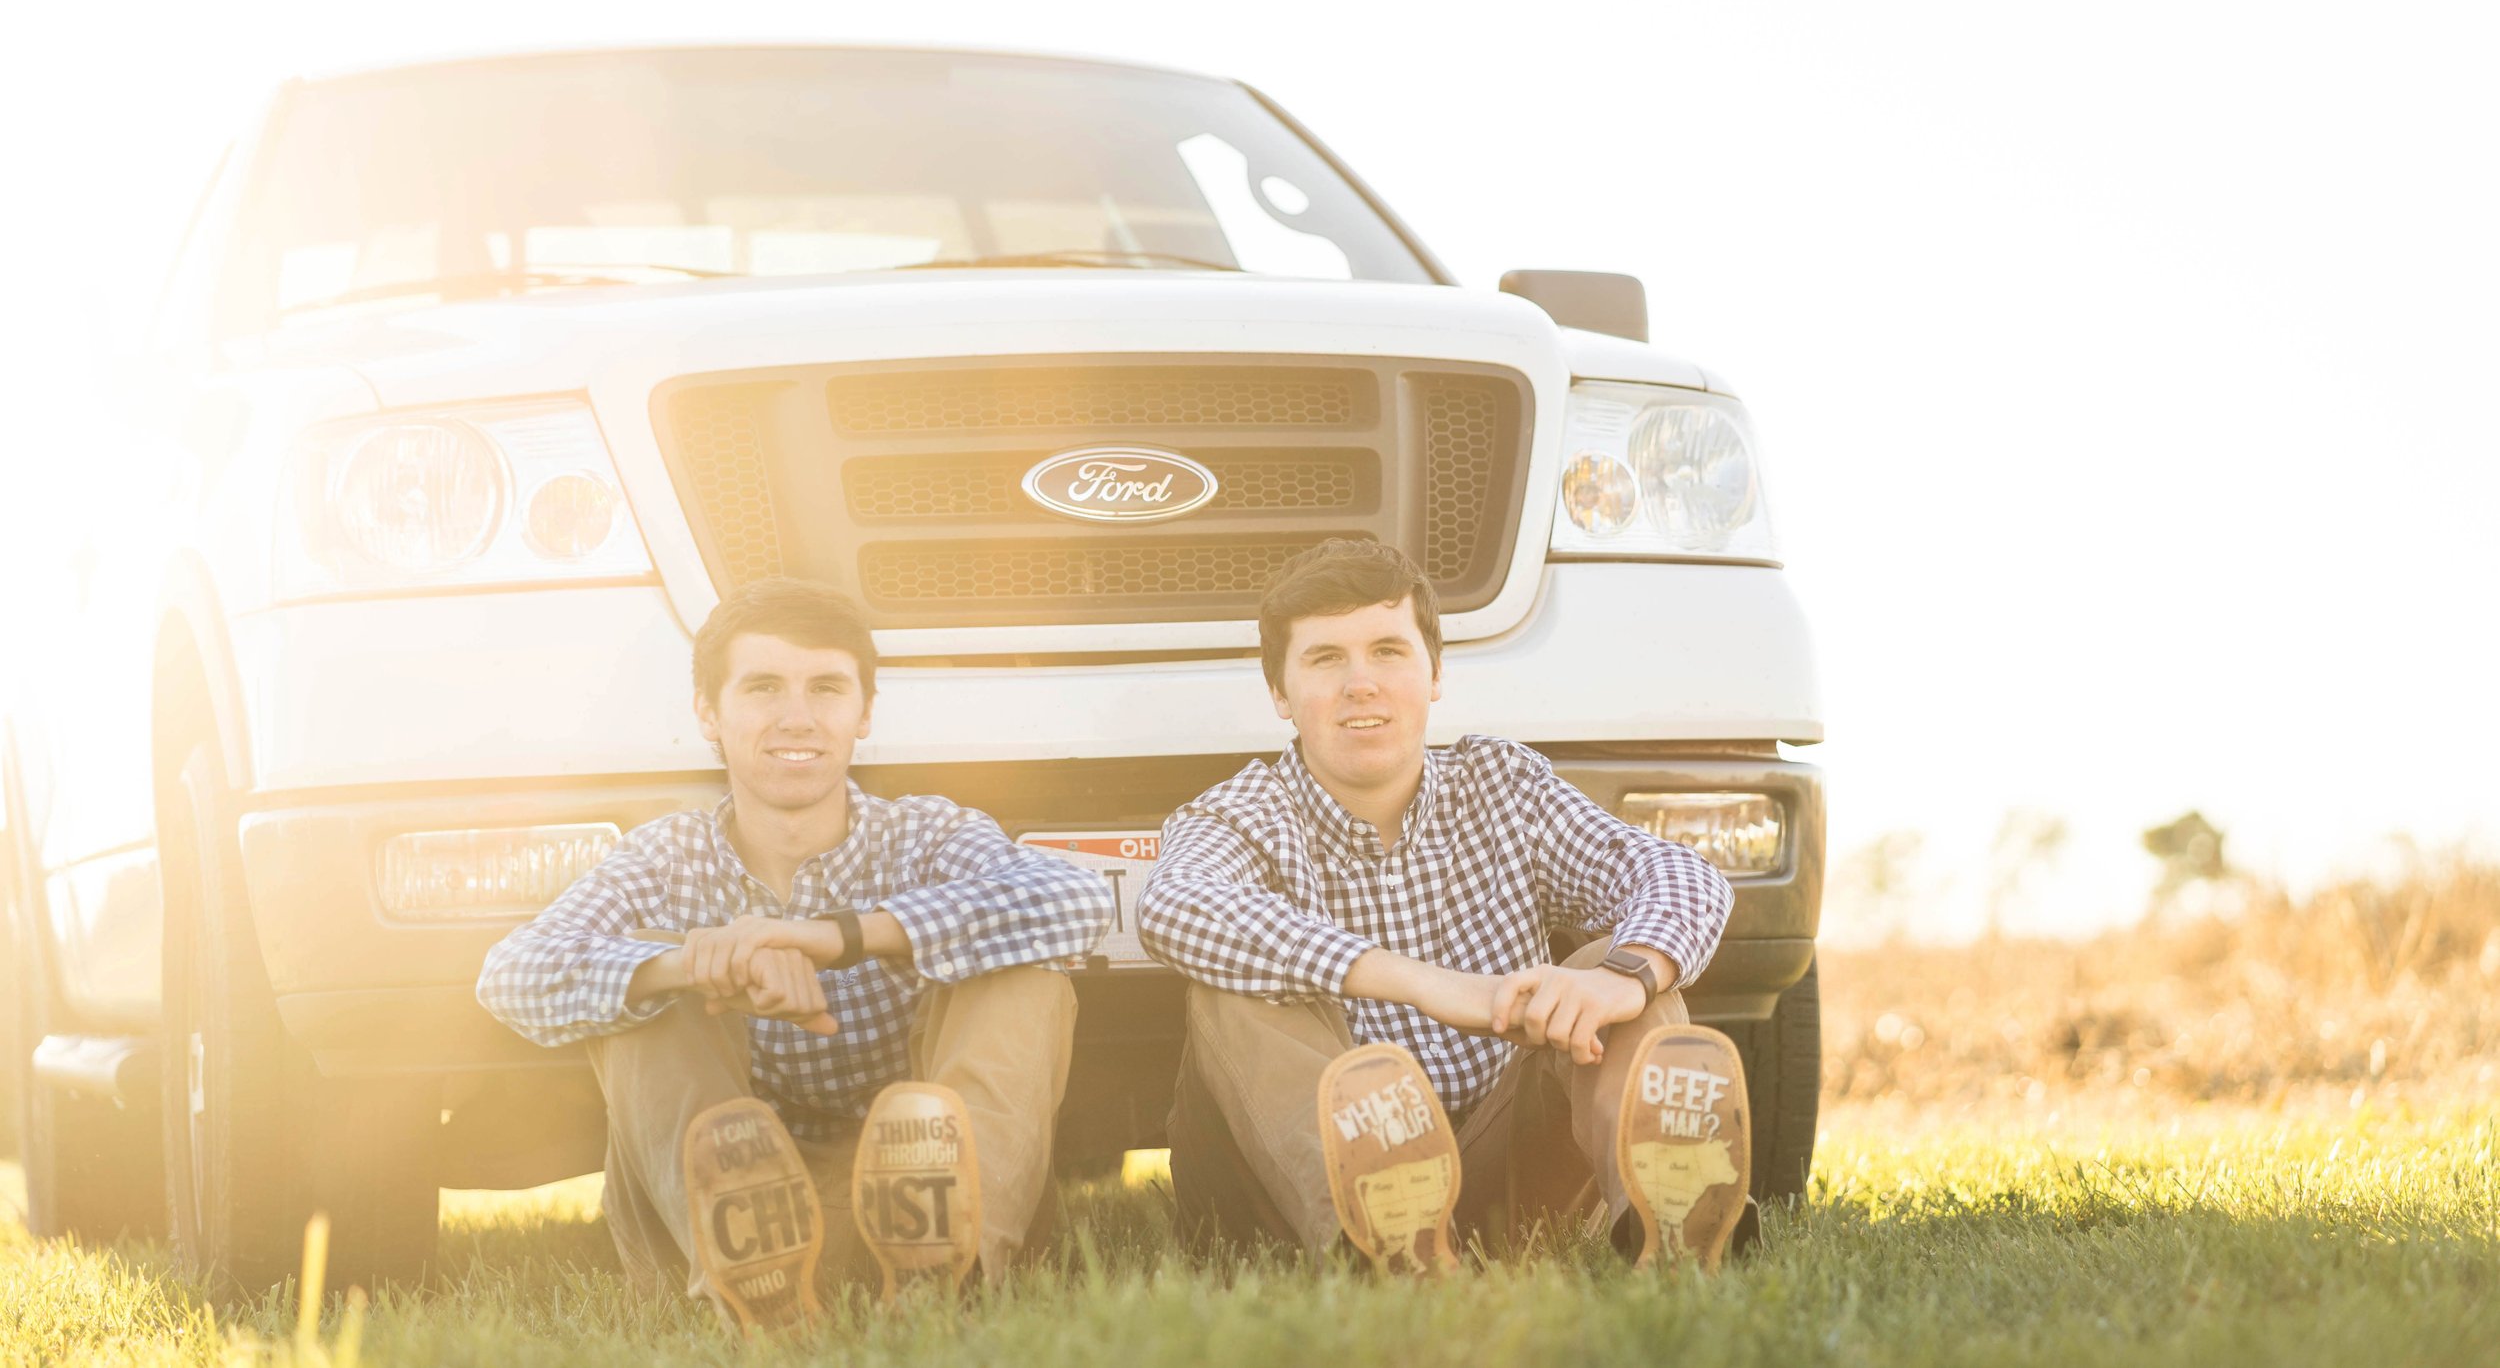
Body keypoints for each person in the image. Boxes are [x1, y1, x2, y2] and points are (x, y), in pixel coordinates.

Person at [478, 579, 1113, 1329]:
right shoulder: (665, 857)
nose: (798, 717)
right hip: (728, 1212)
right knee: (635, 972)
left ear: (864, 712)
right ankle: (751, 1281)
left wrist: (838, 935)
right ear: (708, 712)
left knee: (1023, 967)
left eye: (827, 688)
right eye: (764, 687)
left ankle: (950, 1271)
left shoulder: (925, 833)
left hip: (931, 1191)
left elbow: (1081, 900)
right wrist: (703, 961)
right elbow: (509, 974)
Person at [1136, 538, 1751, 1272]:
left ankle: (1669, 1223)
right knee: (1233, 986)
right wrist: (1429, 984)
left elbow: (1678, 873)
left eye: (1389, 651)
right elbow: (1174, 903)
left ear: (1434, 674)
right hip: (1298, 1185)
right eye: (1326, 658)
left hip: (1505, 1173)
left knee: (1615, 976)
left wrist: (1622, 978)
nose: (1361, 683)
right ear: (1279, 692)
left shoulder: (1501, 783)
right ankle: (1380, 1239)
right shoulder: (1239, 813)